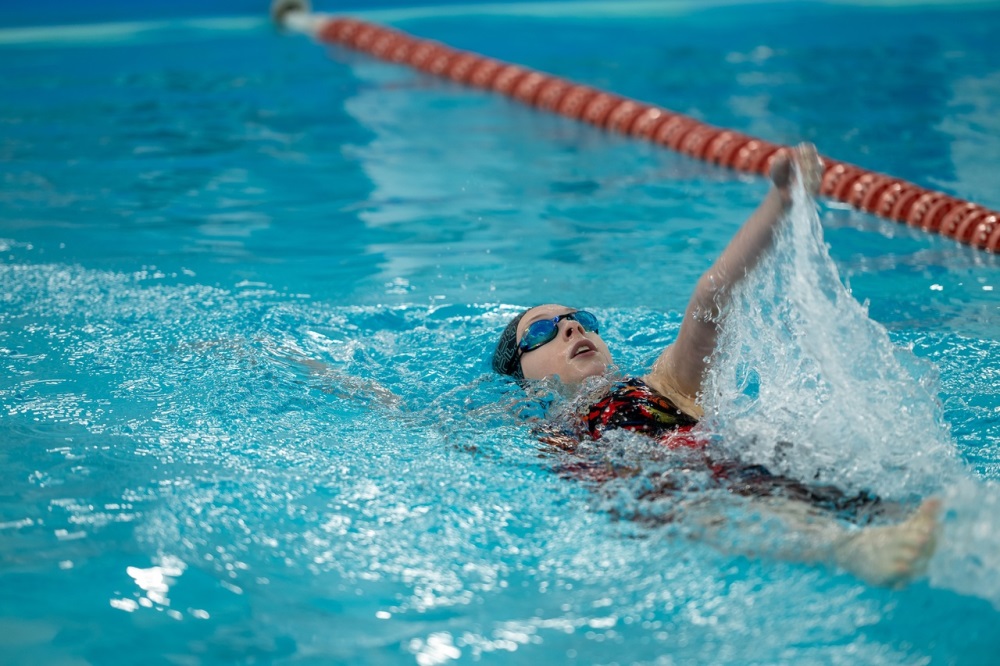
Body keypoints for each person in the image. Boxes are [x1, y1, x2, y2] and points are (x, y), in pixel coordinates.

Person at [491, 143, 940, 588]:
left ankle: (893, 530)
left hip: (722, 477)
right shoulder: (525, 432)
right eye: (541, 331)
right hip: (673, 506)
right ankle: (858, 549)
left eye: (580, 319)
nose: (571, 329)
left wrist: (780, 201)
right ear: (520, 374)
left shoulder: (661, 382)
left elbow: (711, 298)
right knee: (691, 506)